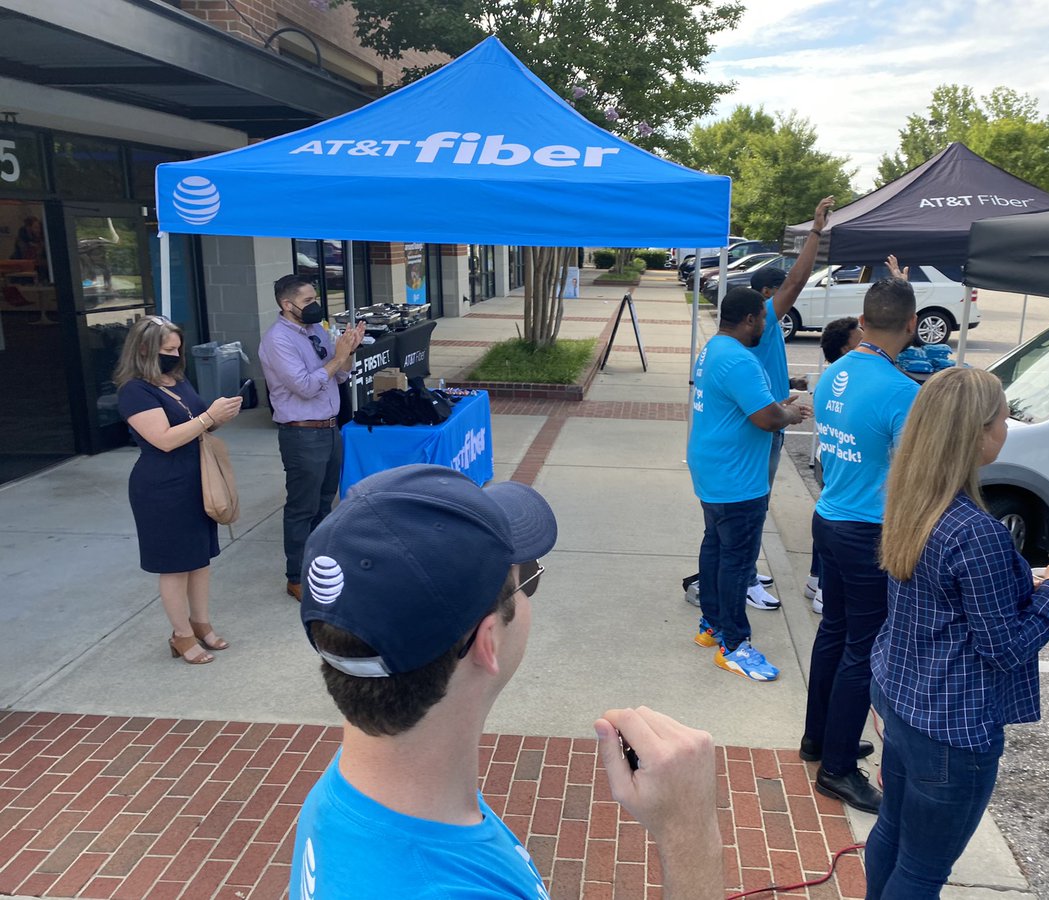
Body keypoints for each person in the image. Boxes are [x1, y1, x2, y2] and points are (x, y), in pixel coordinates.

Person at [289, 465, 724, 899]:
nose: (532, 588)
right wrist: (690, 833)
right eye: (528, 578)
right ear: (488, 640)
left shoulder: (353, 792)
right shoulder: (443, 886)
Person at [866, 367, 1049, 897]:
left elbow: (946, 599)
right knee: (922, 870)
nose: (1007, 427)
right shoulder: (977, 530)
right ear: (977, 433)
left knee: (892, 831)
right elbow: (1003, 647)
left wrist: (1019, 581)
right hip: (951, 727)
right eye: (1003, 418)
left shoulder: (911, 500)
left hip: (901, 697)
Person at [803, 276, 921, 811]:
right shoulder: (901, 390)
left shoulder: (837, 371)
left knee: (835, 632)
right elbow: (908, 475)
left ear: (862, 320)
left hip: (828, 517)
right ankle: (838, 767)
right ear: (913, 325)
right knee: (861, 649)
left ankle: (821, 737)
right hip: (866, 531)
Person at [687, 288, 812, 681]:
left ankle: (710, 625)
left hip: (714, 469)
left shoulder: (715, 349)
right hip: (737, 477)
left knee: (716, 545)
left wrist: (778, 405)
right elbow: (766, 419)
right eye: (762, 318)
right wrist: (790, 413)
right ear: (749, 319)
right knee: (737, 560)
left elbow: (750, 405)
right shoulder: (740, 359)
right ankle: (734, 645)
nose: (765, 325)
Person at [114, 316, 243, 664]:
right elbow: (165, 440)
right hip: (162, 486)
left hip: (195, 478)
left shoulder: (176, 379)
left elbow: (193, 422)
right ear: (144, 349)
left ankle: (200, 623)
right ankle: (181, 635)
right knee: (175, 566)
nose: (175, 354)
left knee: (199, 560)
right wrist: (207, 417)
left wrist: (218, 417)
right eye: (168, 349)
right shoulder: (134, 391)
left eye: (177, 348)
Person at [739, 195, 834, 611]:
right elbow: (797, 280)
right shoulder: (764, 318)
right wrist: (816, 230)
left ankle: (744, 569)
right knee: (753, 503)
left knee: (758, 503)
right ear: (765, 296)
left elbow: (766, 368)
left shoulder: (765, 329)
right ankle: (743, 577)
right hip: (763, 428)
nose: (790, 299)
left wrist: (789, 382)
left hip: (771, 422)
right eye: (779, 295)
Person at [259, 274, 365, 601]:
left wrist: (348, 351)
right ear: (286, 305)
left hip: (330, 429)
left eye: (314, 298)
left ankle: (322, 570)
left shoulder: (315, 330)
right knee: (302, 508)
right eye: (307, 301)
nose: (314, 305)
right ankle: (296, 577)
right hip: (302, 434)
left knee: (324, 505)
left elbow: (340, 375)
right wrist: (337, 357)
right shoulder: (278, 340)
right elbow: (305, 386)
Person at [800, 315, 863, 614]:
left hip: (830, 457)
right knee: (836, 521)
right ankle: (824, 588)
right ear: (845, 351)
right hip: (841, 462)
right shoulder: (849, 381)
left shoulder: (832, 378)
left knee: (828, 513)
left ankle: (816, 579)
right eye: (859, 340)